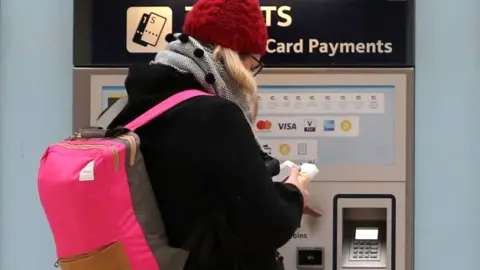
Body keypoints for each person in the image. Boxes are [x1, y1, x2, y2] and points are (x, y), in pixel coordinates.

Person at [108, 0, 308, 269]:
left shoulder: (134, 107)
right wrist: (294, 193)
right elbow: (267, 226)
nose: (251, 72)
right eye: (254, 63)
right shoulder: (216, 116)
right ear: (234, 56)